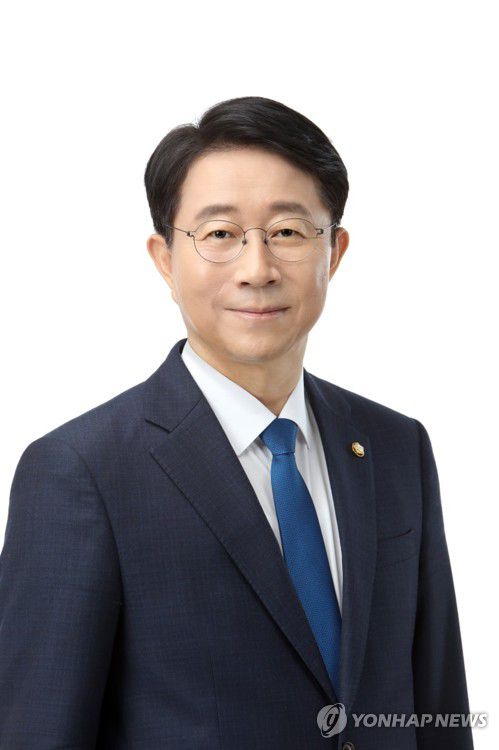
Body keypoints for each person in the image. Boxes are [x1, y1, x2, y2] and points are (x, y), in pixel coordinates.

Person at [0, 96, 473, 749]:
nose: (257, 270)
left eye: (288, 232)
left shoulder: (395, 447)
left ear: (333, 252)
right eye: (220, 235)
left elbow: (437, 710)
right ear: (165, 259)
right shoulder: (82, 472)